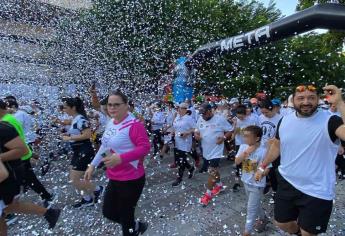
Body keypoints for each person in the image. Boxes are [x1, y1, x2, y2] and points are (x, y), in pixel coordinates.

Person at [255, 85, 345, 236]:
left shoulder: (331, 120)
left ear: (318, 100)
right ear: (293, 101)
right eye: (301, 98)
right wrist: (262, 165)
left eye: (311, 98)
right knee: (282, 223)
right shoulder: (285, 120)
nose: (306, 102)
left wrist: (340, 102)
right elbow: (277, 145)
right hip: (287, 182)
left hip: (317, 189)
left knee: (309, 233)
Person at [84, 90, 150, 236]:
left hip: (131, 179)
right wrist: (92, 165)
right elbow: (105, 146)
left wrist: (121, 158)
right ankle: (137, 226)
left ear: (126, 106)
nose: (112, 108)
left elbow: (145, 148)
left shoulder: (134, 125)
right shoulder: (111, 122)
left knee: (126, 219)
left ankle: (132, 229)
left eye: (116, 105)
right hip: (114, 177)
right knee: (108, 212)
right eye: (109, 105)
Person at [0, 121, 61, 234]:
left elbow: (22, 150)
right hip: (10, 174)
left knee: (8, 208)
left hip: (10, 177)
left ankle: (49, 212)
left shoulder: (3, 129)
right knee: (9, 208)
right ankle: (49, 213)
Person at [0, 99, 55, 208]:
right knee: (29, 179)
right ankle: (46, 197)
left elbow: (14, 140)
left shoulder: (6, 121)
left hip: (18, 156)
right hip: (20, 154)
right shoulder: (9, 117)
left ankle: (9, 207)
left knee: (26, 179)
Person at [61, 97, 103, 208]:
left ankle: (97, 189)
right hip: (77, 150)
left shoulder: (81, 119)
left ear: (73, 108)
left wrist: (69, 137)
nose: (63, 109)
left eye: (65, 107)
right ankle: (87, 199)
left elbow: (87, 135)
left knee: (74, 178)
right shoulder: (75, 118)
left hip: (84, 150)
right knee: (74, 178)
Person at [195, 103, 233, 206]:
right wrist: (197, 135)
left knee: (211, 171)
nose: (203, 116)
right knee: (213, 170)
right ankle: (219, 185)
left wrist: (224, 138)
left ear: (210, 111)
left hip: (216, 151)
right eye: (201, 114)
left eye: (204, 113)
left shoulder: (219, 119)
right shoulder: (200, 119)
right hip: (206, 150)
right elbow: (196, 130)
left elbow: (230, 130)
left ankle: (207, 195)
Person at [235, 126, 269, 236]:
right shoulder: (243, 146)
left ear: (257, 138)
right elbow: (237, 162)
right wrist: (246, 153)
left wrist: (261, 173)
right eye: (244, 136)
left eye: (247, 136)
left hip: (257, 185)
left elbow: (268, 168)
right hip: (245, 181)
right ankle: (263, 218)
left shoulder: (264, 151)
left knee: (251, 208)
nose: (244, 138)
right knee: (255, 204)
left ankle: (247, 231)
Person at [171, 102, 196, 187]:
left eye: (181, 108)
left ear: (186, 110)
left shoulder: (189, 119)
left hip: (185, 142)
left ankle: (179, 178)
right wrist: (172, 133)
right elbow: (174, 127)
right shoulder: (177, 117)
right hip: (177, 141)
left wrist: (187, 133)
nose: (179, 109)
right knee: (179, 160)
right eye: (179, 108)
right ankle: (191, 168)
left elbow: (195, 128)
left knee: (181, 161)